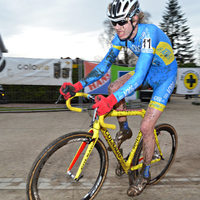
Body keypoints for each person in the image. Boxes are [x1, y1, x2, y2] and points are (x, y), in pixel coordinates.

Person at [60, 0, 177, 197]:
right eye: (113, 22)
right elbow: (104, 65)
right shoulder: (120, 36)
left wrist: (110, 100)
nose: (117, 27)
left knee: (146, 126)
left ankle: (145, 175)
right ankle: (124, 129)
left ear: (135, 18)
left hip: (165, 77)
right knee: (114, 86)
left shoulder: (149, 34)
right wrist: (78, 85)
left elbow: (139, 76)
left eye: (121, 22)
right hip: (149, 71)